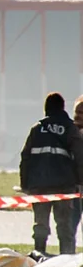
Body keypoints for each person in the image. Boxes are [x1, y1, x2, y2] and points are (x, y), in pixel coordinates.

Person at [19, 92, 83, 254]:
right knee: (64, 226)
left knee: (40, 225)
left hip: (38, 186)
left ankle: (38, 254)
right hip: (64, 186)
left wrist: (25, 184)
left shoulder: (37, 129)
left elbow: (25, 158)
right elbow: (79, 158)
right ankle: (66, 257)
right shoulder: (70, 129)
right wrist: (79, 183)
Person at [69, 96, 83, 237]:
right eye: (77, 112)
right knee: (71, 224)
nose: (78, 116)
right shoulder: (69, 132)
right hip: (73, 186)